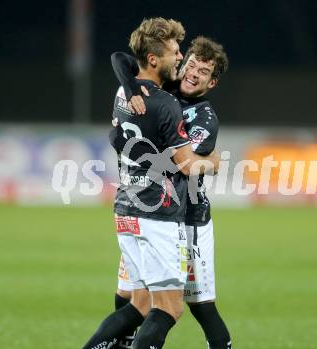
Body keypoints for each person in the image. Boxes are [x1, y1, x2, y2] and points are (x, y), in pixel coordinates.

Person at [81, 17, 220, 349]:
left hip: (126, 208)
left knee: (139, 303)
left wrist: (130, 86)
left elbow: (122, 60)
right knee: (169, 307)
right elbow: (187, 165)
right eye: (175, 52)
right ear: (155, 59)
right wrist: (215, 162)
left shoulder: (122, 90)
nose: (180, 59)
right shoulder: (166, 104)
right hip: (156, 215)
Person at [110, 36, 232, 349]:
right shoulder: (162, 90)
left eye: (203, 71)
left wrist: (211, 162)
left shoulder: (204, 118)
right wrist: (132, 87)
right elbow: (121, 59)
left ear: (212, 82)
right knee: (129, 295)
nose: (193, 72)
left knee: (199, 307)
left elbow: (177, 163)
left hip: (189, 218)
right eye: (190, 63)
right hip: (153, 211)